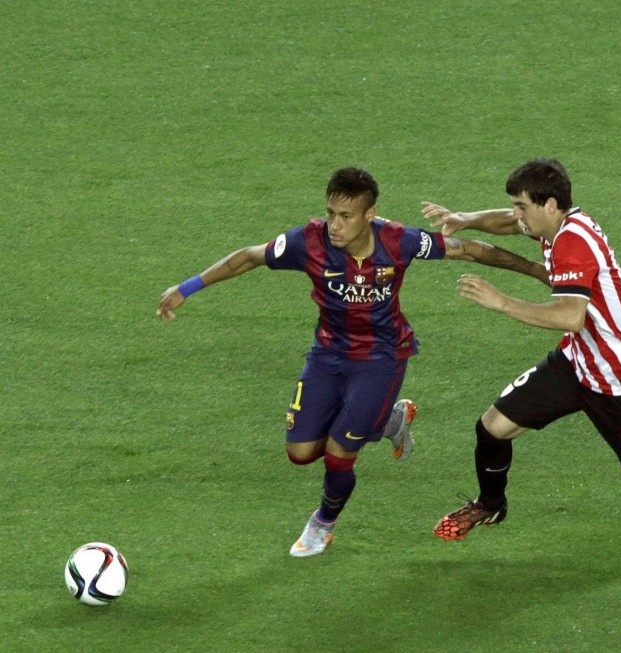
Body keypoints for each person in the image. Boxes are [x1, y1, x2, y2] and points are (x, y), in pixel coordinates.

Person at [157, 167, 549, 557]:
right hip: (327, 356)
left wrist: (537, 270)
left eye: (346, 216)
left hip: (382, 358)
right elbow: (248, 257)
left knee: (339, 452)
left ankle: (323, 522)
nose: (335, 225)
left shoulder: (399, 241)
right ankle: (389, 421)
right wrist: (186, 288)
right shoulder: (307, 241)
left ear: (369, 215)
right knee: (299, 454)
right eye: (331, 213)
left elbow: (471, 250)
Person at [424, 158, 621, 548]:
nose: (517, 215)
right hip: (577, 363)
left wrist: (501, 301)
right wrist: (465, 219)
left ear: (550, 205)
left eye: (522, 207)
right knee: (492, 428)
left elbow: (570, 317)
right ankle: (490, 504)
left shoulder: (574, 243)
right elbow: (508, 222)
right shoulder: (554, 223)